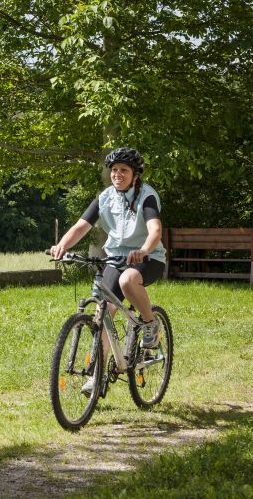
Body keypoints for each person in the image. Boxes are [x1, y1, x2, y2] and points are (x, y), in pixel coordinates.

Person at [50, 147, 165, 394]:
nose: (117, 174)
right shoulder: (105, 197)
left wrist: (144, 250)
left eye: (123, 170)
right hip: (115, 258)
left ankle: (150, 323)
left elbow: (155, 230)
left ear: (135, 175)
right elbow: (81, 226)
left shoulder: (147, 196)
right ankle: (97, 375)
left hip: (148, 258)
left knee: (127, 281)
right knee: (103, 313)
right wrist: (62, 246)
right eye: (114, 170)